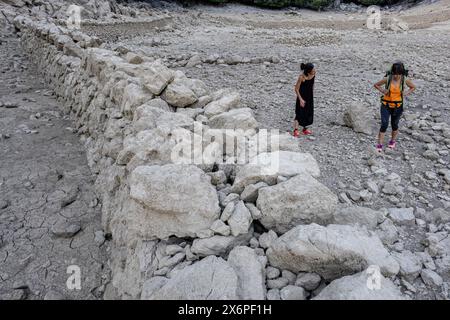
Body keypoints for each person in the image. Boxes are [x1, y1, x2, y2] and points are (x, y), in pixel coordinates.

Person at [374, 61, 416, 152]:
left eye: (398, 74)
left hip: (398, 106)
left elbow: (413, 87)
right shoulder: (387, 79)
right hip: (386, 105)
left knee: (394, 125)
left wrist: (406, 93)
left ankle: (392, 141)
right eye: (395, 74)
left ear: (401, 73)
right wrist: (383, 90)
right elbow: (376, 85)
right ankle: (380, 143)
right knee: (384, 124)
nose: (396, 76)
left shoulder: (405, 80)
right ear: (392, 72)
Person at [293, 62, 315, 137]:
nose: (314, 70)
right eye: (312, 69)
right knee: (299, 113)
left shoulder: (313, 74)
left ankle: (304, 129)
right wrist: (301, 99)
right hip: (301, 97)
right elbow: (296, 89)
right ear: (309, 70)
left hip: (309, 97)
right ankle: (295, 130)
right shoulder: (301, 77)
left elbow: (312, 85)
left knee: (308, 112)